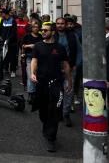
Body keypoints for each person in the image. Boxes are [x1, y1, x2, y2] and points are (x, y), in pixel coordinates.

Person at [31, 22, 72, 152]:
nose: (43, 32)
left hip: (56, 83)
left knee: (54, 110)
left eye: (46, 30)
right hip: (42, 83)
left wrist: (69, 81)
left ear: (52, 32)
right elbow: (34, 60)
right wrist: (32, 73)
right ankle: (46, 126)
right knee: (43, 111)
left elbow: (65, 65)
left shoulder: (60, 47)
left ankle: (51, 138)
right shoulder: (38, 46)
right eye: (42, 30)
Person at [54, 16, 80, 127]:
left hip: (69, 68)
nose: (60, 25)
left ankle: (66, 114)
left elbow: (79, 51)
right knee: (56, 91)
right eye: (58, 23)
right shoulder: (52, 35)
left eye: (62, 23)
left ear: (65, 24)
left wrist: (75, 65)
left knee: (68, 91)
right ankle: (57, 113)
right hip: (54, 68)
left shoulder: (72, 36)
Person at [21, 19, 43, 104]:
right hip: (29, 58)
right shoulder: (27, 36)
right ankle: (31, 94)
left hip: (40, 59)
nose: (36, 29)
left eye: (37, 27)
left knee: (38, 76)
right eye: (34, 27)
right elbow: (22, 45)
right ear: (31, 28)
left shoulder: (41, 37)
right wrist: (29, 46)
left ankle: (36, 93)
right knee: (31, 75)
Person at [0, 8, 18, 77]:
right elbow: (1, 30)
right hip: (4, 42)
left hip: (12, 43)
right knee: (5, 56)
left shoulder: (13, 21)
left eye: (2, 13)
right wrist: (1, 39)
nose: (1, 15)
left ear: (5, 14)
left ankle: (13, 70)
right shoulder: (2, 21)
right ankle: (6, 69)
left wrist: (8, 39)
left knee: (12, 57)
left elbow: (14, 32)